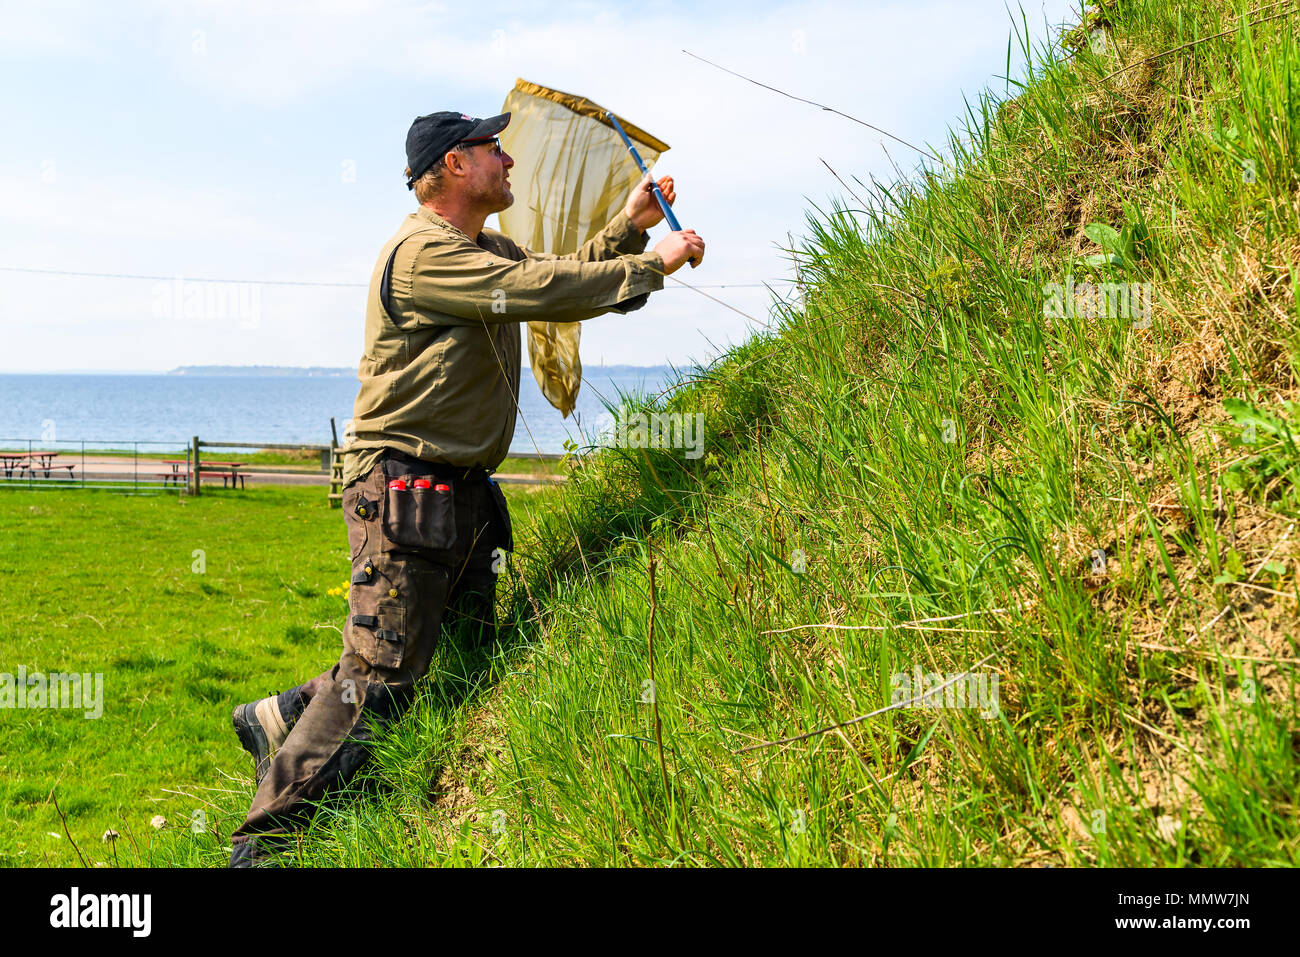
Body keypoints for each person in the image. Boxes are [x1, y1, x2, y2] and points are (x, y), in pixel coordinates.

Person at [227, 109, 705, 866]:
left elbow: (558, 272)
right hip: (405, 489)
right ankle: (267, 844)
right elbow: (536, 287)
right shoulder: (423, 253)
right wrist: (655, 264)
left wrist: (629, 227)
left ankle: (279, 716)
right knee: (381, 677)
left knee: (446, 657)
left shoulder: (481, 248)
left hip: (461, 495)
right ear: (454, 165)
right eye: (493, 149)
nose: (509, 159)